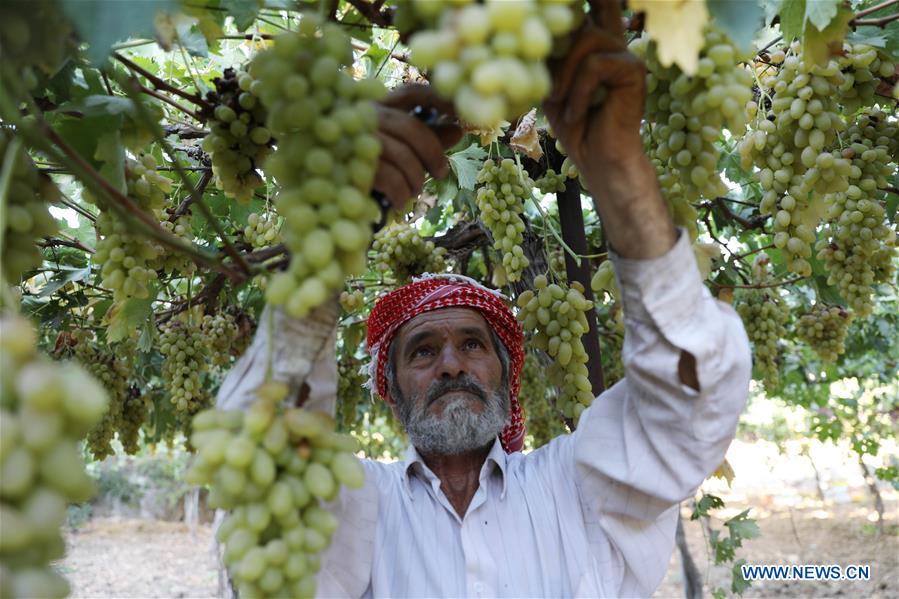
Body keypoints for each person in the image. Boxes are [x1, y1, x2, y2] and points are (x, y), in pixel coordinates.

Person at [216, 2, 752, 596]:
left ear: (507, 373)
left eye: (473, 343)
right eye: (422, 352)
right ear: (388, 386)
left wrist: (620, 169)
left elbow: (692, 400)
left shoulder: (578, 484)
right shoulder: (358, 509)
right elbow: (258, 471)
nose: (451, 363)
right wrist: (325, 244)